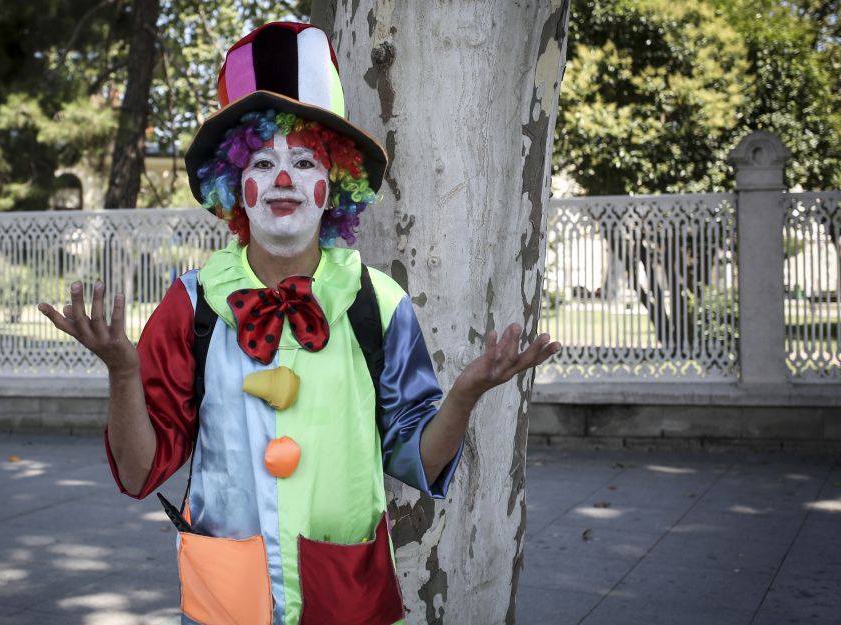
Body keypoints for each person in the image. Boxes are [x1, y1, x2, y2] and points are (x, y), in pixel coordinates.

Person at [38, 21, 560, 625]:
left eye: (304, 160)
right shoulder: (192, 305)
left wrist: (464, 396)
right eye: (262, 161)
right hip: (228, 602)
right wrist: (123, 374)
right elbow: (136, 473)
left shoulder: (378, 302)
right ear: (236, 186)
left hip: (345, 598)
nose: (283, 178)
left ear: (330, 184)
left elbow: (416, 455)